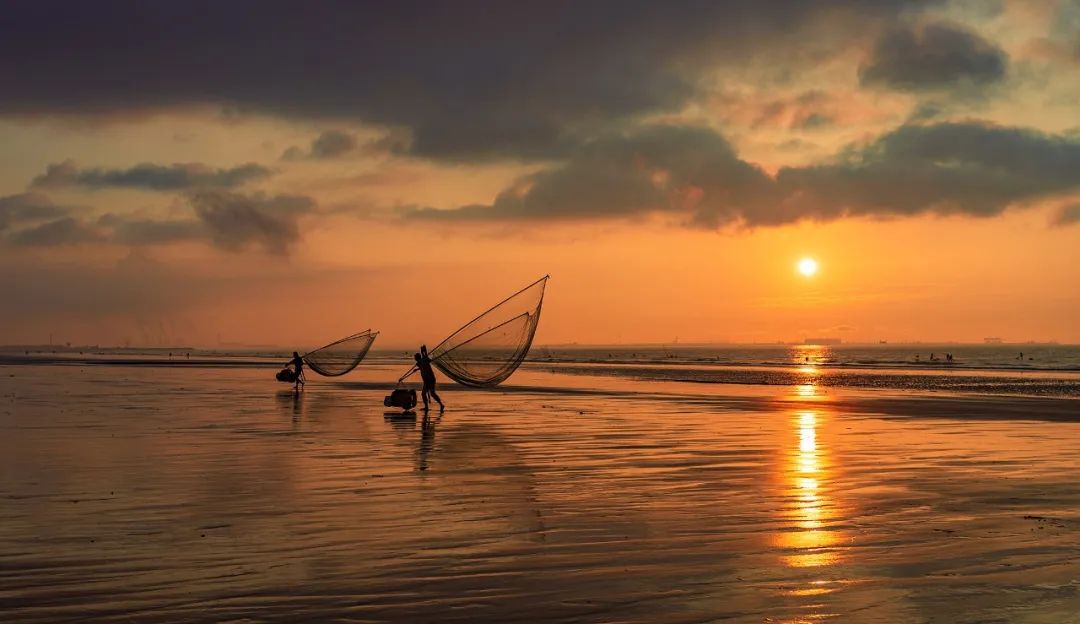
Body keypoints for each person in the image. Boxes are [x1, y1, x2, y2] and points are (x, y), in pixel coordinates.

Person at [414, 345, 444, 411]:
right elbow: (423, 366)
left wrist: (424, 351)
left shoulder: (424, 360)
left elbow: (425, 357)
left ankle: (440, 405)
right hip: (427, 380)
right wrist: (417, 369)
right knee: (426, 393)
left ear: (417, 358)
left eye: (415, 358)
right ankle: (429, 407)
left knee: (431, 393)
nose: (414, 359)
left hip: (430, 380)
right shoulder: (421, 362)